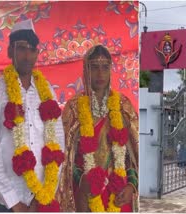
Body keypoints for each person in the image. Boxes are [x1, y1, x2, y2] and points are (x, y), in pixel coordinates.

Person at [0, 19, 65, 212]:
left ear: (37, 54)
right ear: (10, 51)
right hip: (9, 204)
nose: (26, 55)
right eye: (21, 48)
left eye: (31, 49)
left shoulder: (47, 92)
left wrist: (46, 193)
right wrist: (14, 203)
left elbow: (58, 142)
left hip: (42, 200)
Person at [57, 45, 138, 212]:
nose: (100, 73)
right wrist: (81, 180)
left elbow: (133, 154)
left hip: (119, 193)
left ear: (110, 70)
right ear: (86, 70)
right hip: (86, 191)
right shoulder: (73, 108)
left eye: (105, 67)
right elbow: (65, 157)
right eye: (94, 67)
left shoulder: (123, 106)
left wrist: (131, 185)